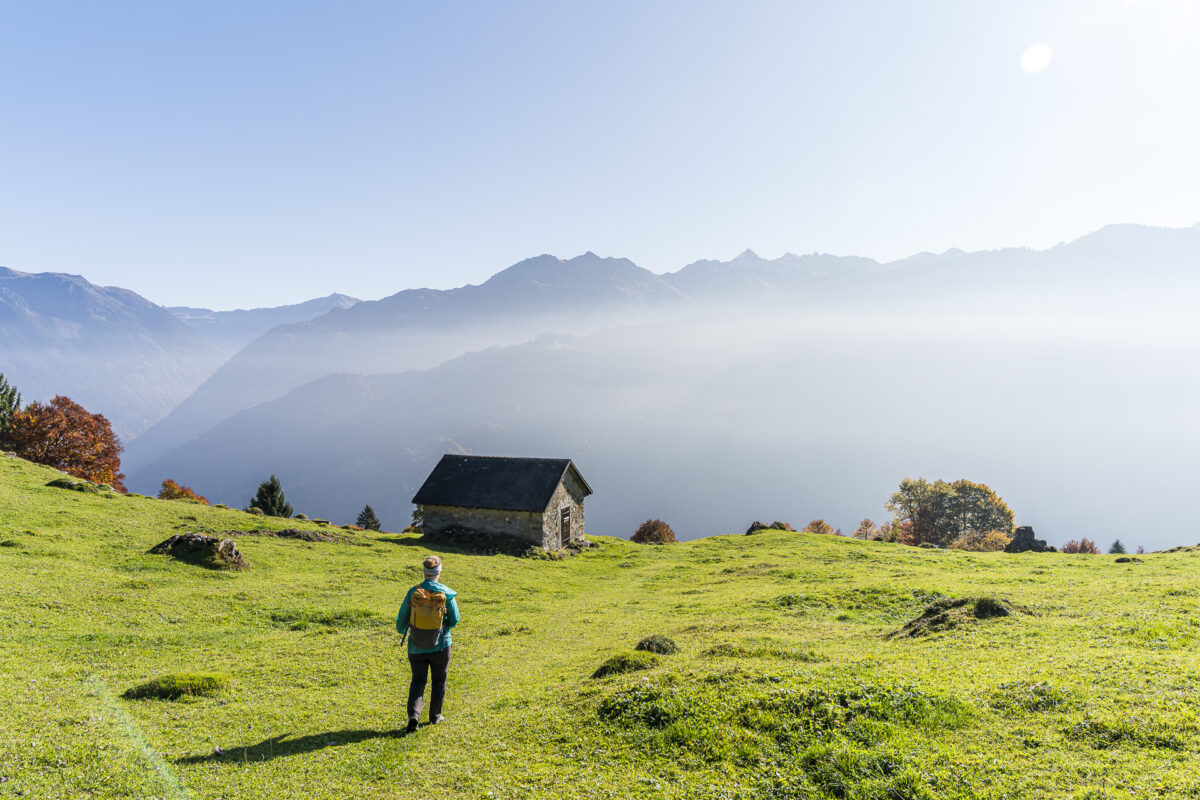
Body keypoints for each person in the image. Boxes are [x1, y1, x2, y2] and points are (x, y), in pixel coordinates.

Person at [396, 555, 459, 733]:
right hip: (441, 645)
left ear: (424, 572)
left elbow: (401, 620)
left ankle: (414, 716)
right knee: (439, 680)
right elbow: (454, 620)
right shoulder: (447, 593)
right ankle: (435, 715)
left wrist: (408, 632)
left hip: (416, 646)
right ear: (439, 572)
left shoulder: (414, 592)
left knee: (418, 681)